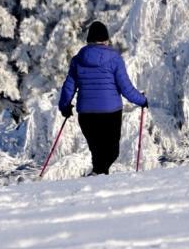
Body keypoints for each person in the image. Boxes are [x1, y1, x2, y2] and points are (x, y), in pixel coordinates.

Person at [58, 21, 148, 175]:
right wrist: (142, 100)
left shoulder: (78, 59)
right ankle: (96, 179)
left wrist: (64, 106)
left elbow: (69, 86)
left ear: (89, 40)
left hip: (87, 115)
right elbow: (125, 88)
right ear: (106, 39)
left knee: (98, 154)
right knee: (111, 153)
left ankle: (96, 184)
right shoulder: (114, 58)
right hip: (110, 114)